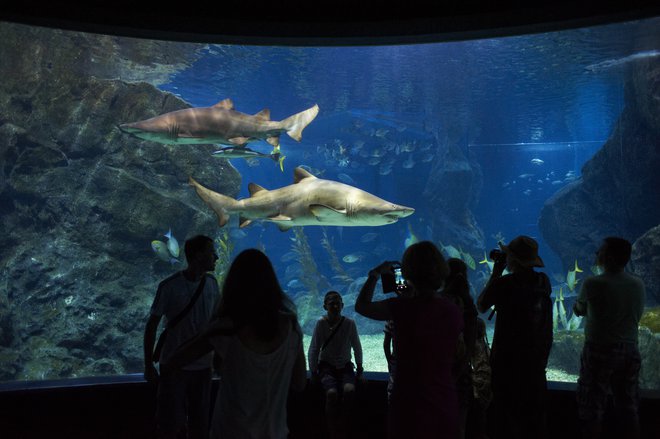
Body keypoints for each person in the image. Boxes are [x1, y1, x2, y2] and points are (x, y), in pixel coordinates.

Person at [167, 248, 307, 439]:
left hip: (230, 431)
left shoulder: (226, 330)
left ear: (234, 285)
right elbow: (299, 383)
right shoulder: (291, 327)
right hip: (275, 432)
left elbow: (174, 360)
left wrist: (208, 329)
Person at [356, 241, 464, 439]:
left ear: (407, 273)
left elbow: (362, 306)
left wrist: (374, 274)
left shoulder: (400, 307)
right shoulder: (453, 310)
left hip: (408, 401)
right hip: (444, 398)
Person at [143, 234, 221, 439]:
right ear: (196, 256)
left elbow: (217, 323)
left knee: (200, 424)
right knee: (170, 424)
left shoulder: (212, 284)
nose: (216, 256)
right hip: (173, 367)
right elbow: (151, 326)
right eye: (211, 252)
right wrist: (148, 365)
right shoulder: (169, 286)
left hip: (204, 368)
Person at [476, 235, 553, 439]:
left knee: (504, 417)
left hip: (507, 363)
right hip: (535, 363)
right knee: (533, 419)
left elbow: (481, 305)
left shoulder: (505, 283)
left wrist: (496, 272)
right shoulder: (544, 282)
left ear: (513, 259)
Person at [573, 237, 646, 439]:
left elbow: (579, 310)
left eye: (601, 250)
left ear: (610, 257)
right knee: (628, 405)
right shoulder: (638, 284)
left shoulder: (593, 283)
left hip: (599, 350)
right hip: (630, 350)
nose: (597, 253)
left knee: (592, 406)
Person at [308, 291, 364, 439]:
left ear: (342, 305)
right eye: (331, 303)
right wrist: (313, 372)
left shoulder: (350, 323)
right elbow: (313, 349)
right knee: (331, 393)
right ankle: (332, 430)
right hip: (326, 366)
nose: (334, 305)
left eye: (337, 303)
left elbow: (357, 346)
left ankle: (344, 424)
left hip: (345, 365)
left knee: (350, 390)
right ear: (325, 306)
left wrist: (360, 367)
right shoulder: (320, 323)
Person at [443, 258, 478, 439]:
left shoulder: (439, 303)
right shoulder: (469, 305)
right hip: (463, 373)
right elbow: (471, 345)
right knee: (459, 427)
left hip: (439, 373)